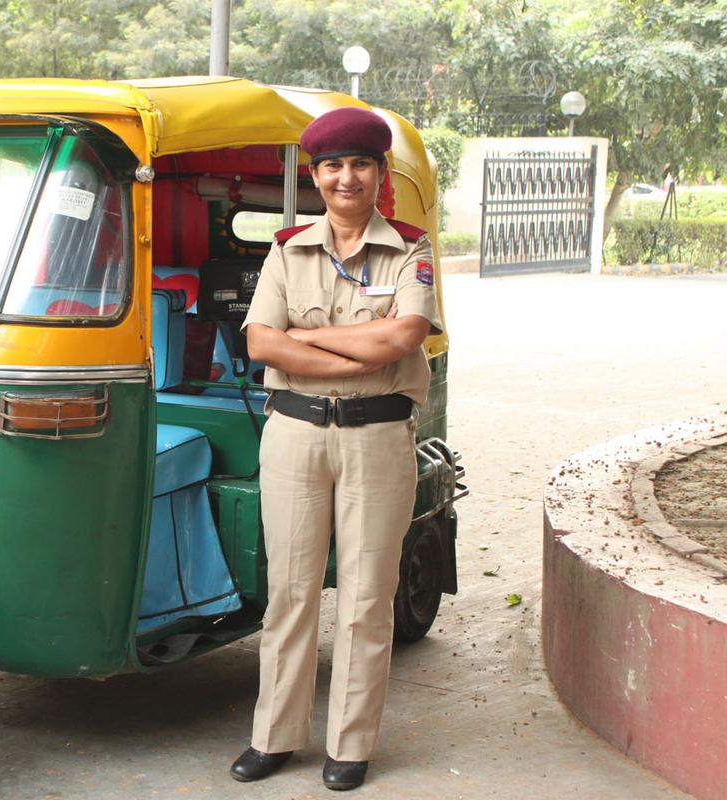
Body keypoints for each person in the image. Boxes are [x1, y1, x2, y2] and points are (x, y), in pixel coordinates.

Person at [230, 106, 442, 791]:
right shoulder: (286, 250)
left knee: (365, 598)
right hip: (294, 437)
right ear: (316, 177)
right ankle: (276, 737)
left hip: (379, 439)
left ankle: (350, 746)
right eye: (332, 166)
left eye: (359, 164)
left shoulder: (410, 249)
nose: (345, 177)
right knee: (289, 592)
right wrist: (355, 346)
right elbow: (262, 342)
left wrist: (308, 339)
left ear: (379, 173)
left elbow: (400, 340)